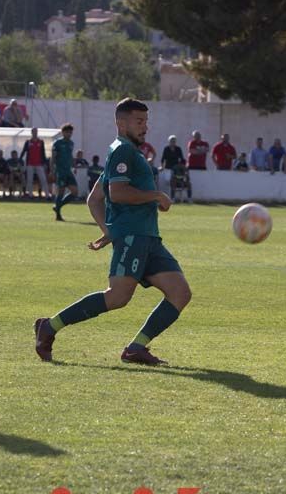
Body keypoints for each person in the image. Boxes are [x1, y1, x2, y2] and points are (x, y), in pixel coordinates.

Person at [34, 98, 190, 367]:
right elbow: (117, 194)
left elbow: (94, 199)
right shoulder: (122, 152)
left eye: (146, 121)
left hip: (147, 237)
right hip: (134, 237)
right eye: (139, 121)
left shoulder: (123, 152)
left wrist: (109, 230)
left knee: (180, 293)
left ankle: (136, 348)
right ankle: (49, 326)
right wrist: (156, 196)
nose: (145, 127)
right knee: (117, 297)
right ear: (121, 122)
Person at [51, 123, 79, 221]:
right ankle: (58, 215)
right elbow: (53, 158)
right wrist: (52, 171)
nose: (69, 134)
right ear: (63, 132)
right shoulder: (57, 143)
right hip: (60, 171)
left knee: (75, 192)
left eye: (70, 132)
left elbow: (70, 156)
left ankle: (58, 206)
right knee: (61, 193)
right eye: (67, 132)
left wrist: (74, 166)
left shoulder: (71, 143)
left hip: (68, 171)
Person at [21, 128, 49, 198]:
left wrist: (45, 163)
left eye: (36, 131)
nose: (35, 133)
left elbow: (43, 153)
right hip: (30, 164)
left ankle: (47, 195)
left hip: (39, 164)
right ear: (31, 132)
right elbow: (24, 151)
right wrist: (20, 160)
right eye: (33, 131)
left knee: (43, 180)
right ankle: (30, 195)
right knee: (29, 180)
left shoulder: (41, 142)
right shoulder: (28, 142)